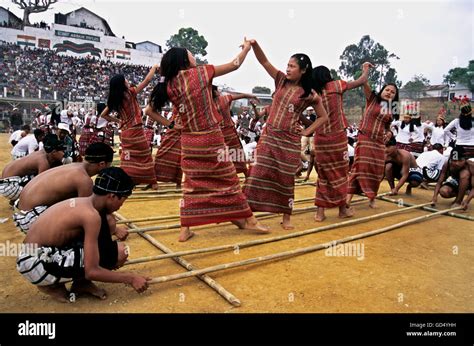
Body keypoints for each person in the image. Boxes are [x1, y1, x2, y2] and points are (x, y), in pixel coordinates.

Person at [148, 41, 269, 242]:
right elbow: (235, 64)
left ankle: (186, 229)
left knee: (192, 184)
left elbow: (150, 111)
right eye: (191, 54)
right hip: (211, 138)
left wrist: (170, 125)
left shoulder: (168, 85)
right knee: (228, 179)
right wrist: (247, 47)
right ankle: (249, 220)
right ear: (185, 60)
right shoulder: (201, 73)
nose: (194, 56)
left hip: (189, 142)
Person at [16, 167, 149, 303]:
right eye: (123, 200)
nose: (122, 205)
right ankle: (50, 285)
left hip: (35, 254)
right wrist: (131, 278)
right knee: (120, 252)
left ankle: (81, 284)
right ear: (112, 196)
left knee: (108, 235)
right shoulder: (91, 216)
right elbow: (92, 270)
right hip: (34, 262)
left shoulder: (85, 202)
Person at [242, 40, 329, 229]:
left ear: (303, 70)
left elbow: (323, 117)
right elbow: (264, 61)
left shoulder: (310, 94)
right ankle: (246, 214)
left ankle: (286, 217)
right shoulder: (280, 79)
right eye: (287, 65)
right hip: (269, 135)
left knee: (286, 178)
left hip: (289, 140)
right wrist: (254, 45)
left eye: (292, 66)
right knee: (257, 172)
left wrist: (306, 131)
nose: (288, 69)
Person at [311, 62, 372, 221]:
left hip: (320, 137)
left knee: (323, 173)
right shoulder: (337, 86)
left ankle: (320, 212)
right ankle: (342, 209)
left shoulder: (312, 93)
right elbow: (361, 80)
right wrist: (365, 68)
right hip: (337, 136)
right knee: (340, 173)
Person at [13, 142, 113, 233]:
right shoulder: (84, 180)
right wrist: (114, 228)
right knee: (92, 222)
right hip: (30, 218)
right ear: (102, 164)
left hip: (22, 211)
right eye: (109, 165)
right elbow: (87, 212)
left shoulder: (75, 166)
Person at [100, 65, 159, 188]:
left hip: (125, 132)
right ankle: (153, 183)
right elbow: (147, 81)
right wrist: (154, 68)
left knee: (128, 158)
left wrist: (118, 120)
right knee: (145, 156)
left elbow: (103, 114)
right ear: (122, 83)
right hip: (136, 131)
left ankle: (129, 180)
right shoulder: (130, 93)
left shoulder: (114, 99)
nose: (127, 81)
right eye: (125, 79)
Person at [346, 82, 399, 209]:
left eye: (392, 92)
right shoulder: (372, 99)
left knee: (377, 171)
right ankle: (347, 199)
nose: (389, 93)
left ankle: (372, 198)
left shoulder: (391, 108)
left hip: (379, 143)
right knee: (359, 168)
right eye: (387, 90)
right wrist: (365, 70)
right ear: (381, 91)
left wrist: (390, 133)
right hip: (365, 139)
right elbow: (365, 84)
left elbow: (387, 126)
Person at [1, 135, 65, 201]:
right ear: (54, 152)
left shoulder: (41, 153)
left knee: (34, 177)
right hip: (9, 187)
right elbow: (40, 185)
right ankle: (19, 202)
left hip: (5, 181)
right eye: (62, 151)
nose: (64, 154)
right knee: (41, 188)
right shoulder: (43, 162)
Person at [213, 85, 258, 176]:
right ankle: (245, 174)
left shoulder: (207, 104)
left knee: (220, 157)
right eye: (218, 90)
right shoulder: (224, 99)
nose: (219, 91)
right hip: (229, 132)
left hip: (217, 134)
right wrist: (251, 96)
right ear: (214, 92)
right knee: (238, 155)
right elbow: (241, 95)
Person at [144, 105, 183, 188]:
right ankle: (153, 181)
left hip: (182, 127)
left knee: (179, 156)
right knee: (162, 154)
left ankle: (178, 183)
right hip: (175, 127)